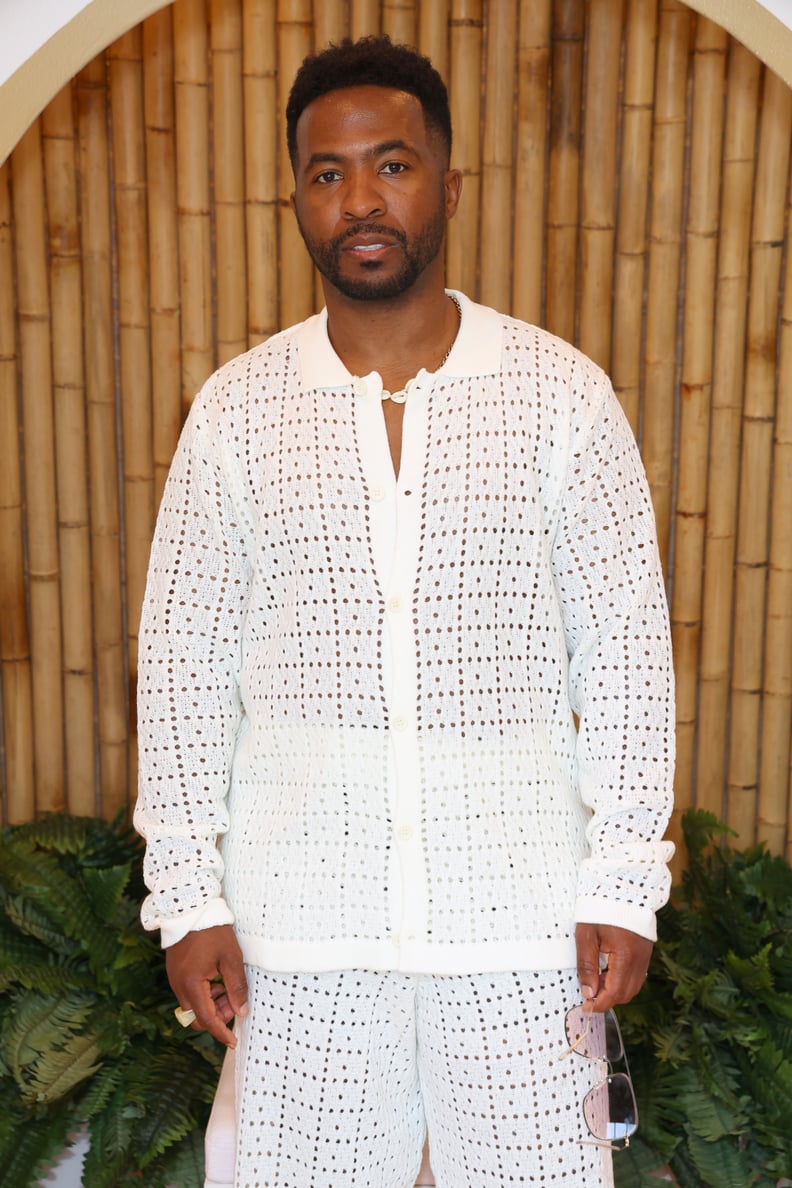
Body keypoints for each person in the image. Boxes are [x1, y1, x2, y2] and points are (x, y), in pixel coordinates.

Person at [134, 34, 675, 1188]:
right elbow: (181, 665)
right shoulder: (237, 414)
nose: (360, 199)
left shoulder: (560, 397)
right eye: (327, 174)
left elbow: (625, 652)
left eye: (392, 164)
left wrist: (624, 878)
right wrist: (187, 895)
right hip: (299, 938)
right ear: (295, 201)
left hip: (523, 932)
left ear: (449, 184)